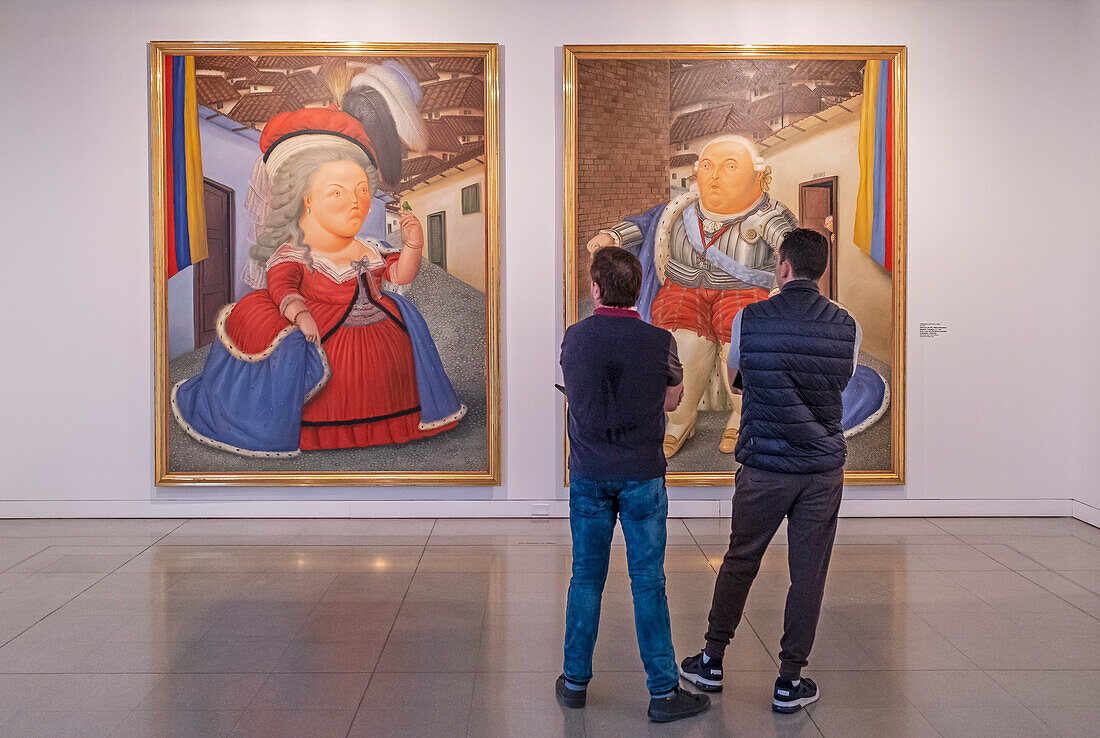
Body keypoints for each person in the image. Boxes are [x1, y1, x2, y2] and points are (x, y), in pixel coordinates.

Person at [172, 106, 465, 456]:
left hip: (385, 331)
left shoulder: (370, 248)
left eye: (361, 191)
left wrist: (414, 243)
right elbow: (282, 287)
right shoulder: (296, 251)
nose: (356, 203)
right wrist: (300, 314)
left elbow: (401, 275)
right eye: (338, 193)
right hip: (320, 328)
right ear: (307, 200)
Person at [678, 228, 861, 713]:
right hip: (821, 469)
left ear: (783, 267)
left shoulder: (750, 318)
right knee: (808, 574)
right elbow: (839, 383)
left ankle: (712, 662)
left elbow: (737, 381)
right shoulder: (847, 324)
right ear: (818, 270)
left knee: (740, 559)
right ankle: (789, 681)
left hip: (763, 464)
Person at [557, 247, 709, 723]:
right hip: (643, 474)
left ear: (596, 288)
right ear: (639, 289)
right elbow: (671, 400)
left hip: (588, 474)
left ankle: (575, 682)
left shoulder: (575, 338)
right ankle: (663, 693)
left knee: (586, 578)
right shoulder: (660, 339)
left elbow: (577, 389)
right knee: (648, 582)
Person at [587, 135, 798, 459]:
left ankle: (744, 417)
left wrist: (782, 289)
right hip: (683, 290)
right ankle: (680, 421)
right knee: (680, 350)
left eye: (729, 166)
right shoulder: (680, 210)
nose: (715, 175)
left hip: (746, 293)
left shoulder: (769, 216)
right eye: (708, 166)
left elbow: (792, 252)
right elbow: (644, 225)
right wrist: (611, 236)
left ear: (758, 175)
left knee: (741, 350)